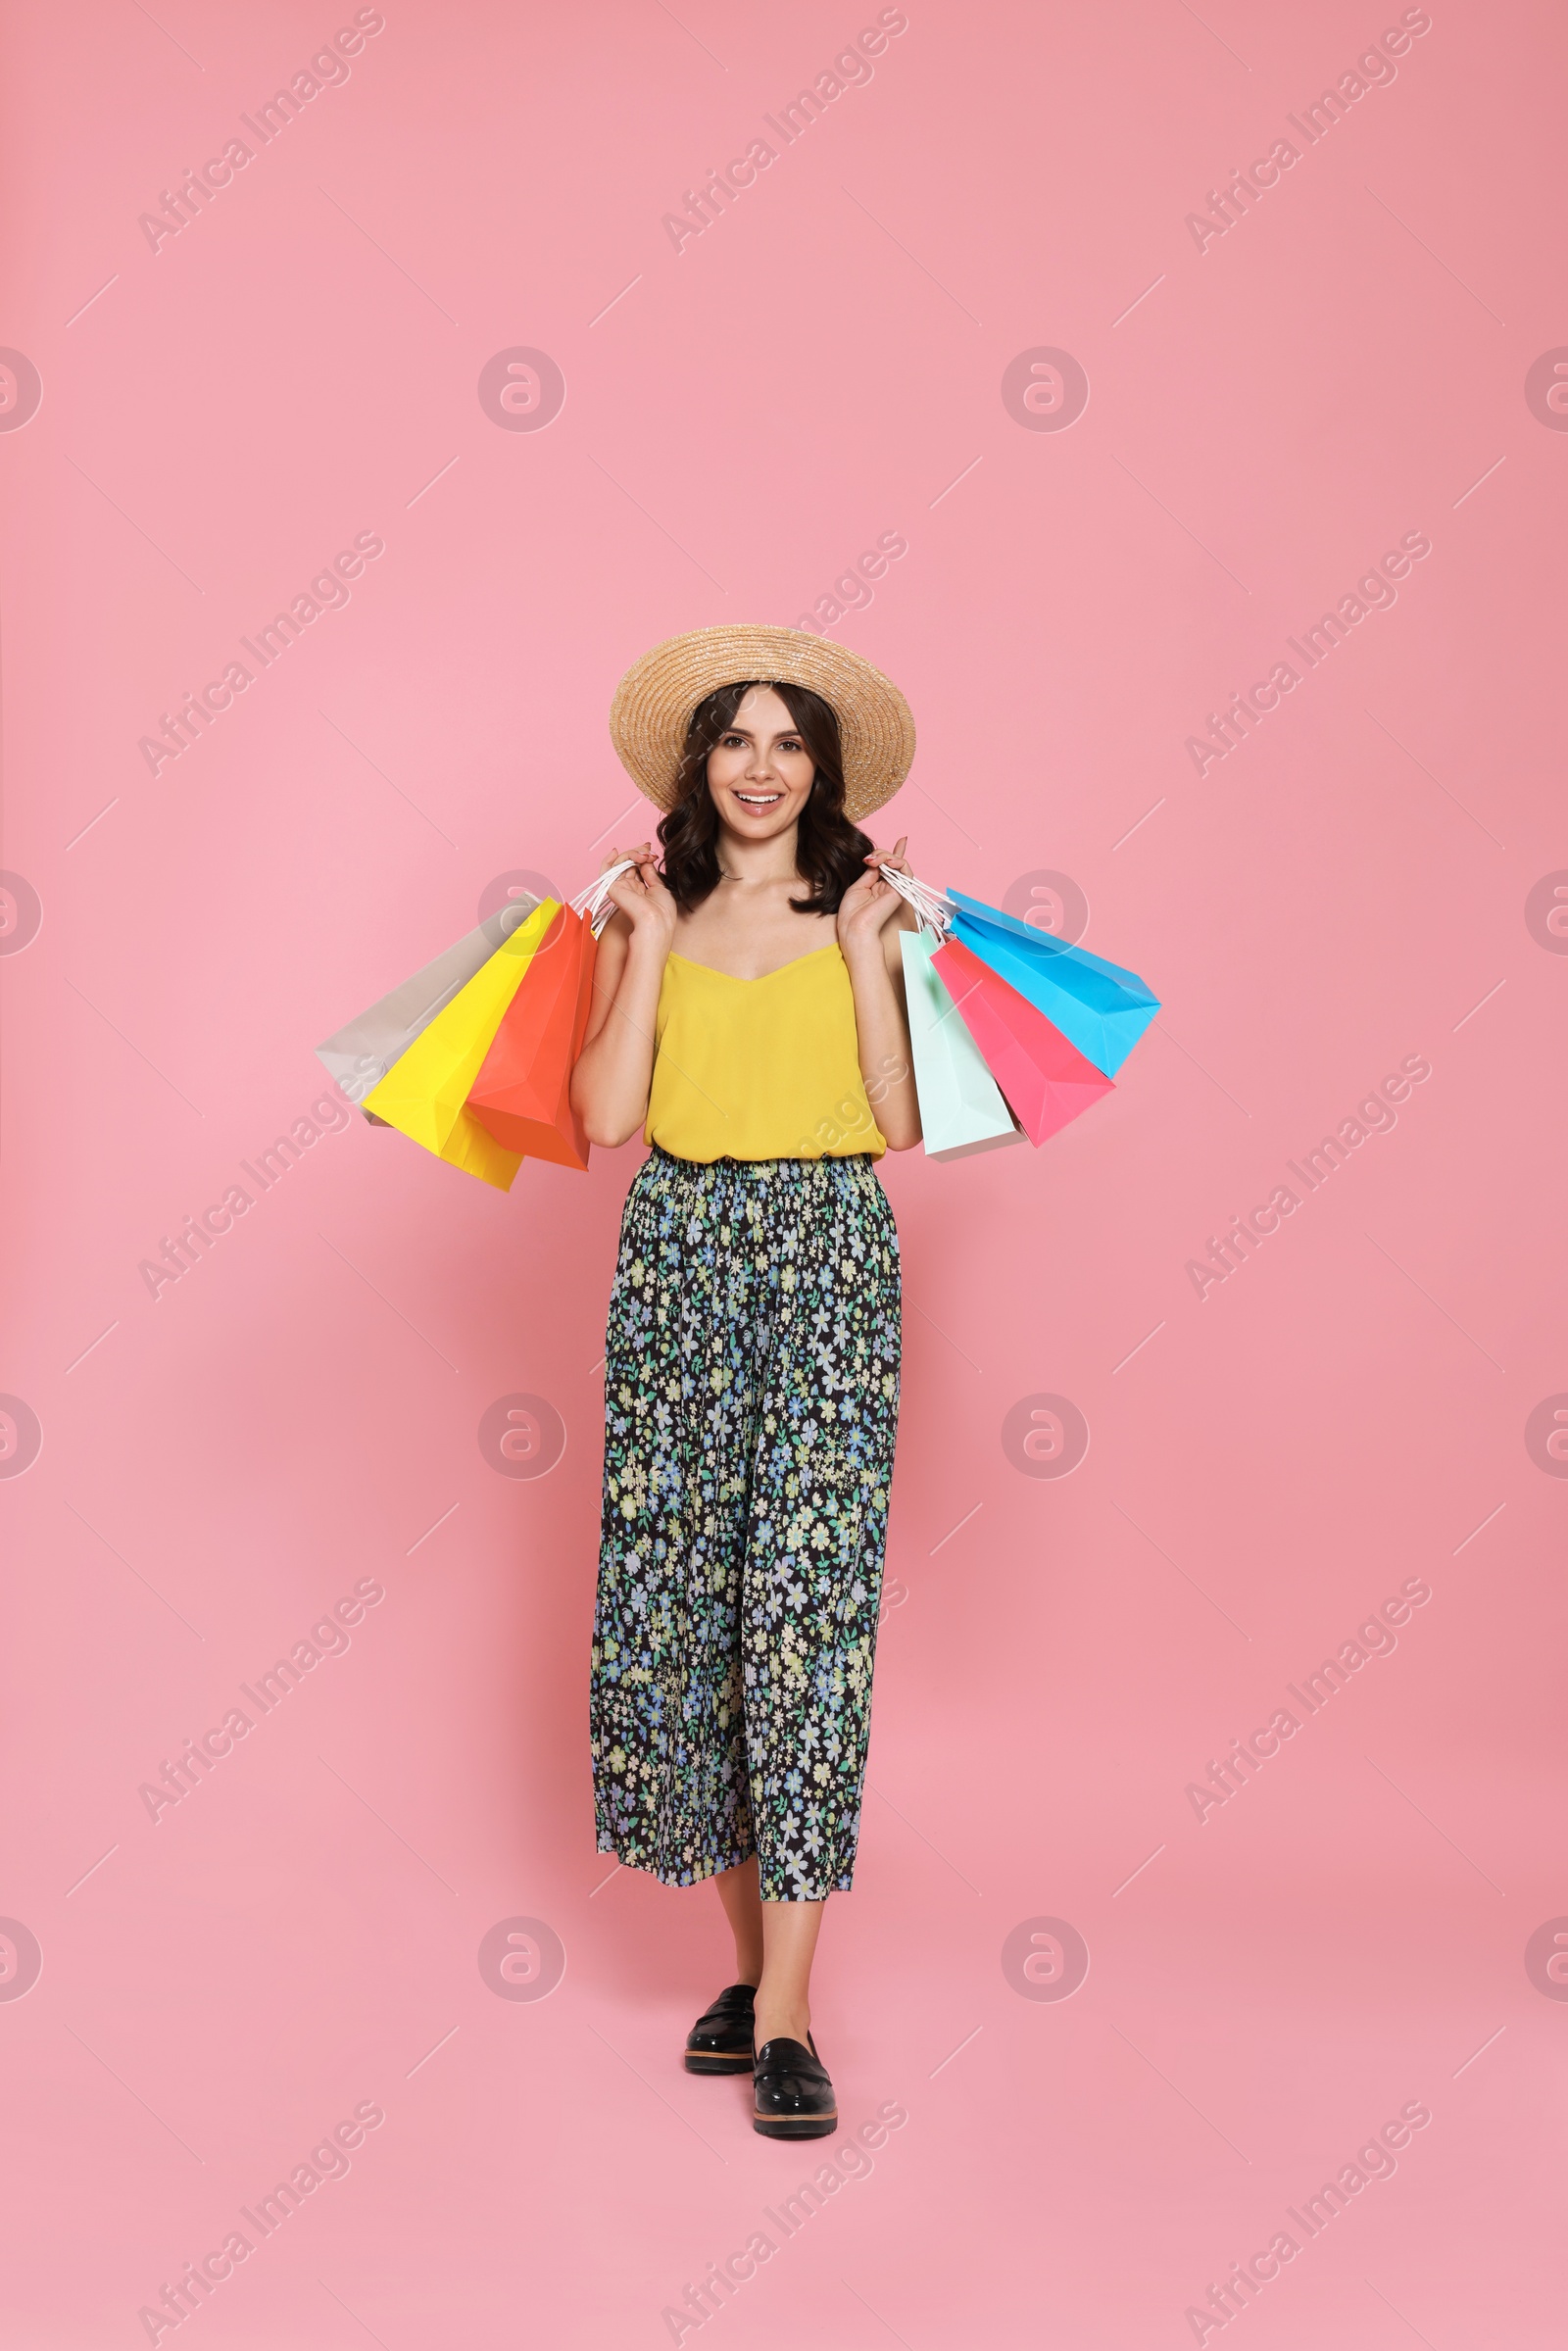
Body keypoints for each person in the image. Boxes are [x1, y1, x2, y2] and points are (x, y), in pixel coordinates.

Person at [572, 625, 920, 2139]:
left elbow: (901, 1124)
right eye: (738, 740)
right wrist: (643, 948)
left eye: (790, 743)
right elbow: (599, 1113)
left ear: (822, 773)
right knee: (679, 1625)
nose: (765, 766)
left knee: (802, 1622)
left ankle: (783, 2016)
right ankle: (748, 1971)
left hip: (831, 1256)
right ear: (697, 764)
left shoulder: (874, 915)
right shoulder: (650, 912)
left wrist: (862, 954)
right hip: (680, 1258)